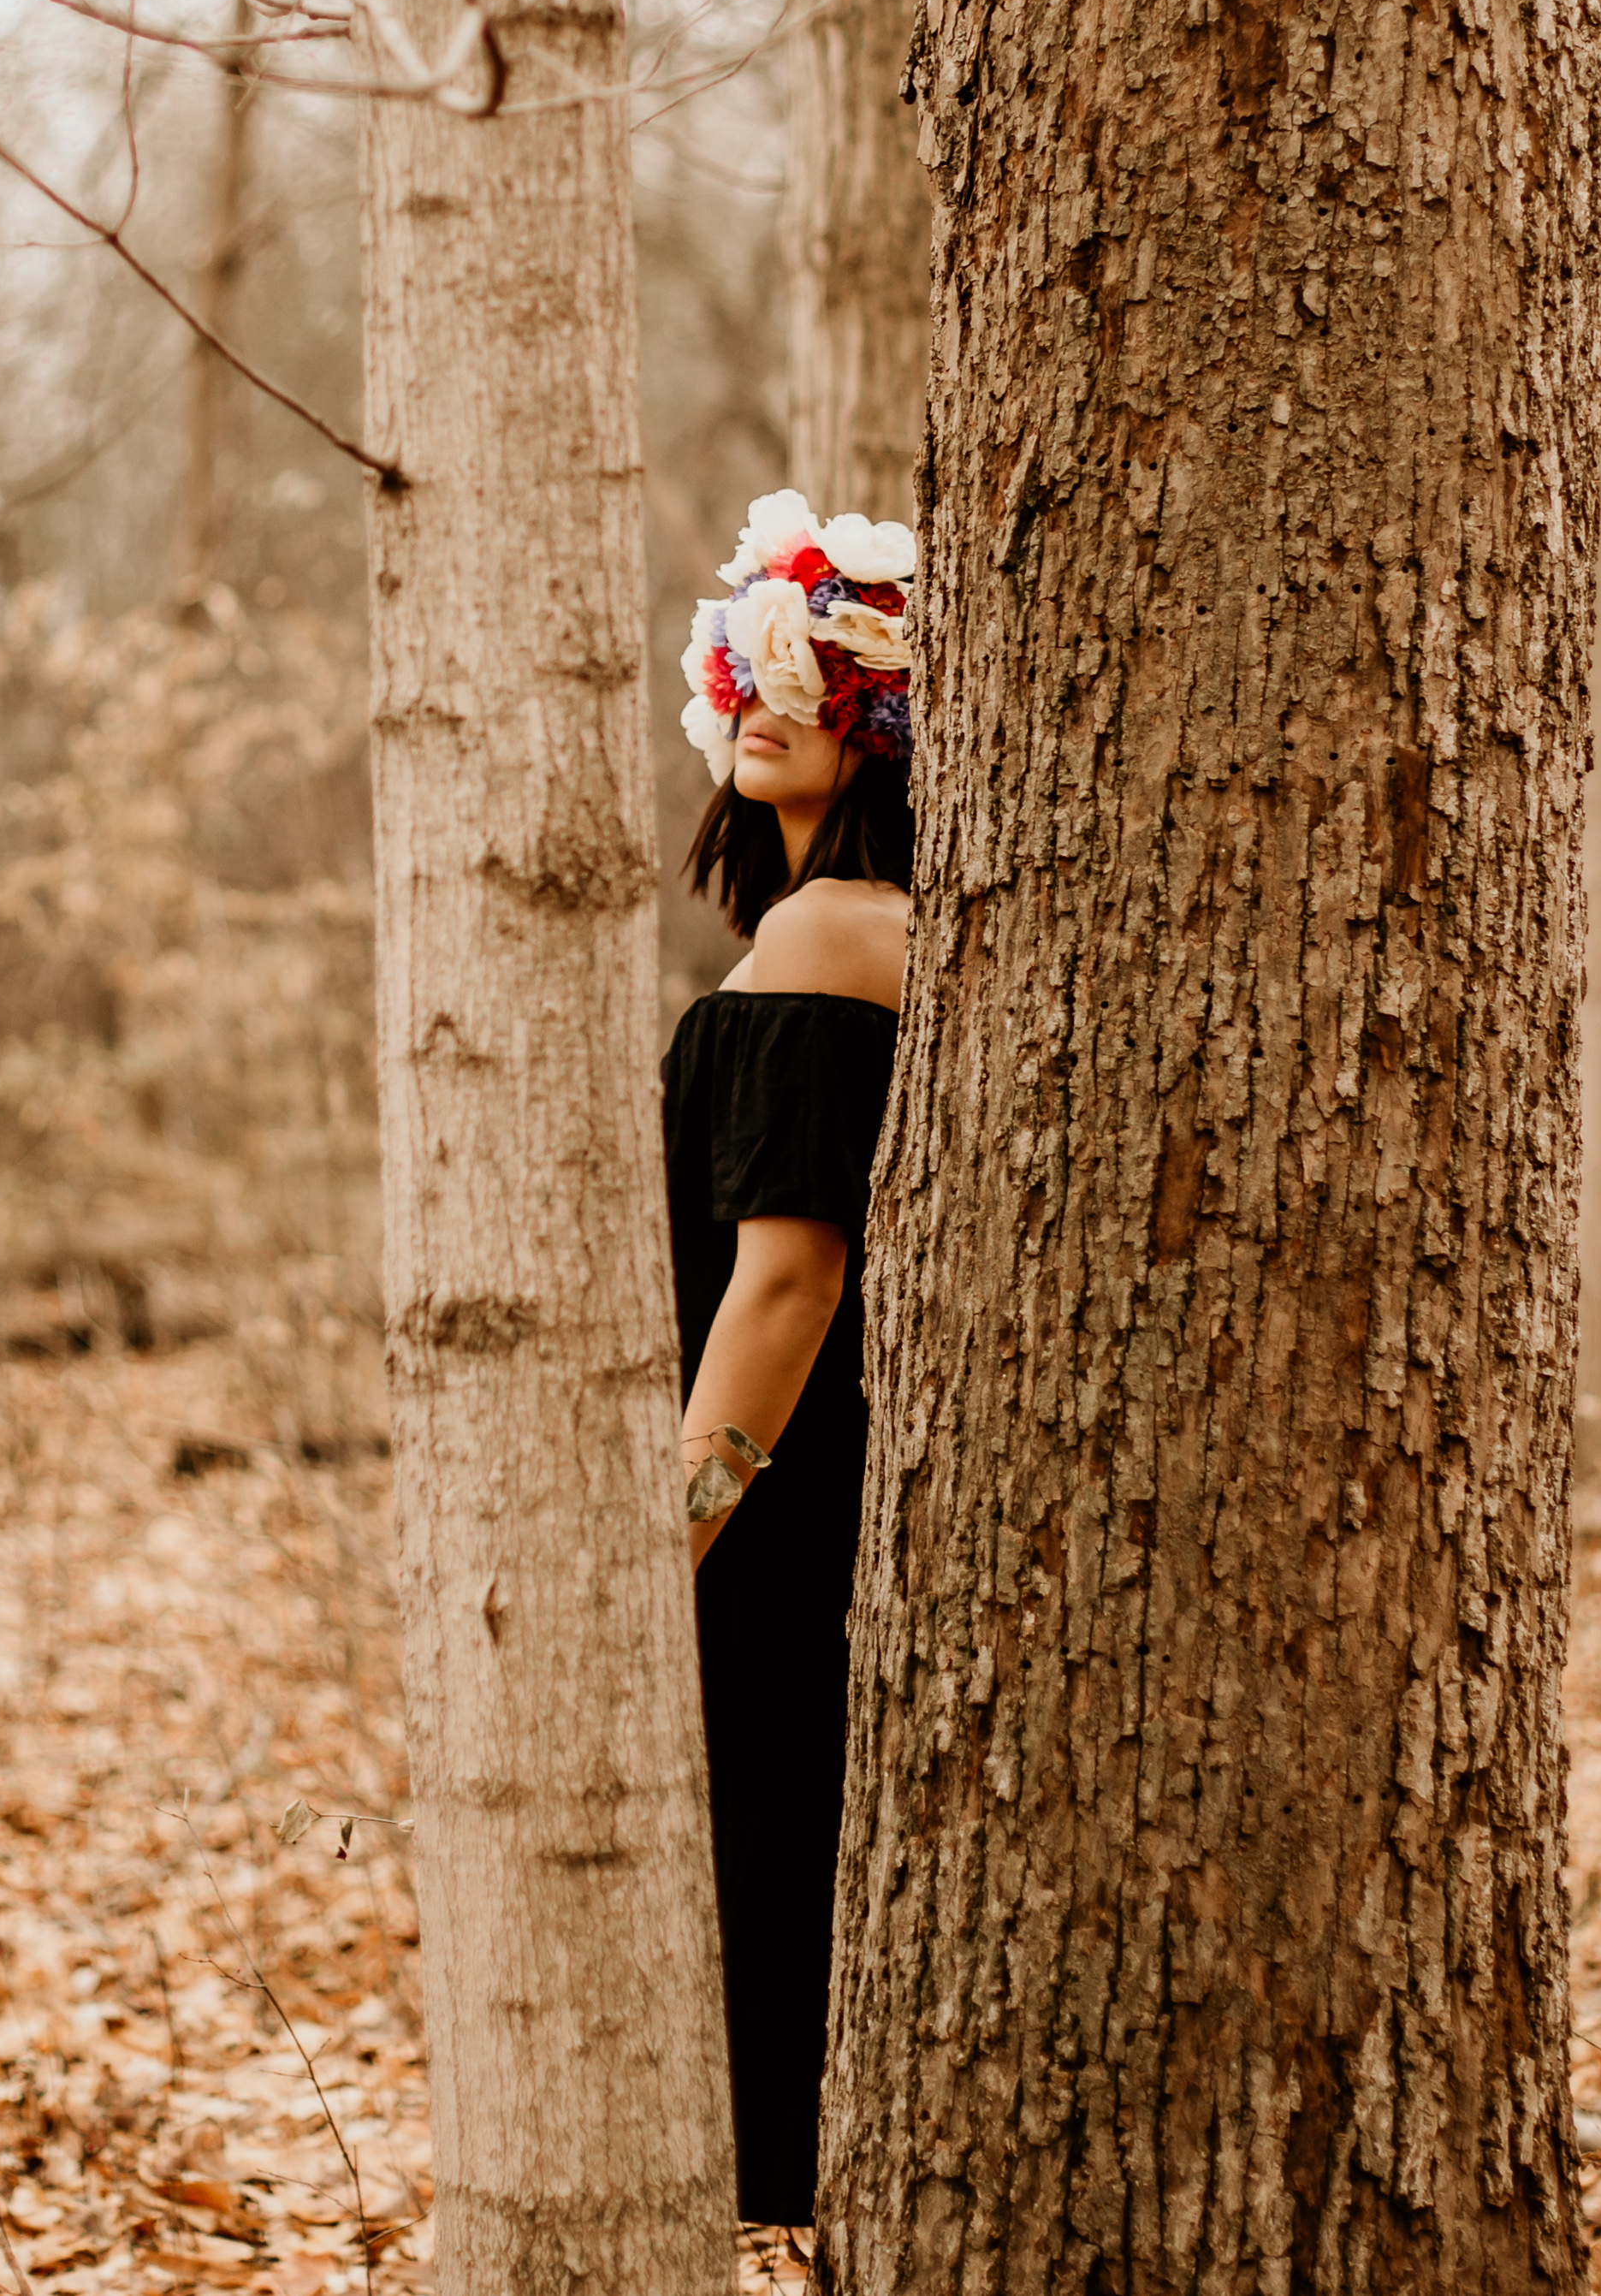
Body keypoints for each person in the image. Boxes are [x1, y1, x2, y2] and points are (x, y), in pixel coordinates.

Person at [661, 489, 915, 2236]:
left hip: (768, 1519)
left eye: (813, 667)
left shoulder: (833, 937)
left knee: (770, 1923)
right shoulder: (841, 927)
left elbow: (785, 1283)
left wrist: (661, 1533)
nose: (765, 694)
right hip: (810, 1510)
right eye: (747, 660)